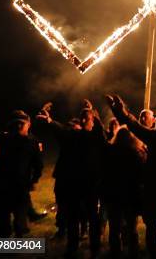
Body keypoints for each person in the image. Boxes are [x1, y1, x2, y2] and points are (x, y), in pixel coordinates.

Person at [106, 94, 156, 259]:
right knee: (151, 227)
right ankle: (155, 254)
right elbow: (133, 124)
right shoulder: (153, 136)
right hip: (152, 192)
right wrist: (119, 110)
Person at [37, 103, 107, 257]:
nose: (86, 122)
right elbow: (62, 130)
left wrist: (92, 112)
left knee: (86, 216)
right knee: (79, 216)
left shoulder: (91, 137)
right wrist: (50, 121)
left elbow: (98, 132)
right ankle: (77, 246)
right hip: (79, 184)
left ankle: (86, 247)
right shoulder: (79, 136)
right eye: (85, 119)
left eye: (87, 119)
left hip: (88, 184)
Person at [0, 110, 43, 237]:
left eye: (22, 124)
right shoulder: (6, 139)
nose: (19, 126)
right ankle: (4, 239)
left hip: (20, 186)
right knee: (2, 216)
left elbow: (38, 165)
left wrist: (34, 180)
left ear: (28, 125)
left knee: (19, 217)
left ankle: (18, 237)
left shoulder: (32, 143)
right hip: (2, 184)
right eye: (16, 124)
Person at [103, 124, 147, 258]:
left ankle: (115, 251)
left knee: (115, 226)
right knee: (131, 226)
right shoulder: (135, 153)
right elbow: (141, 175)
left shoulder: (110, 152)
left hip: (114, 194)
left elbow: (105, 173)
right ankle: (133, 251)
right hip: (130, 195)